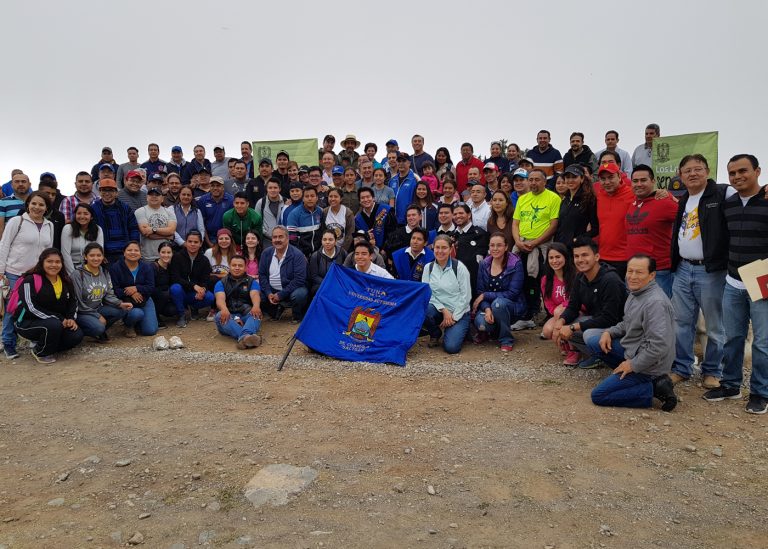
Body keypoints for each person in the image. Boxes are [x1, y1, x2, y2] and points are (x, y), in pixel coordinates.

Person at [704, 154, 768, 414]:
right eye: (732, 173)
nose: (738, 176)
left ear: (757, 171)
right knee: (733, 337)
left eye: (743, 171)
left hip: (761, 279)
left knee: (762, 343)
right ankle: (731, 385)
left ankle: (760, 392)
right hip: (733, 280)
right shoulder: (727, 204)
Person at [586, 255, 678, 411]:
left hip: (651, 365)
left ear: (652, 275)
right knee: (595, 342)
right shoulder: (636, 293)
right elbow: (627, 323)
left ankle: (654, 387)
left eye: (639, 272)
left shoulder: (655, 303)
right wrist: (609, 332)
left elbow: (659, 346)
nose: (633, 276)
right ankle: (629, 377)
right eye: (630, 271)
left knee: (599, 395)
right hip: (635, 349)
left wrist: (633, 365)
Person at [669, 154, 729, 388]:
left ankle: (713, 370)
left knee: (714, 325)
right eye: (687, 171)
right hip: (683, 269)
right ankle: (682, 367)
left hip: (711, 270)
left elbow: (748, 196)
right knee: (682, 323)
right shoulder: (684, 200)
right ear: (681, 175)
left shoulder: (722, 194)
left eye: (698, 169)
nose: (693, 174)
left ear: (708, 170)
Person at [553, 237, 628, 369]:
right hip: (599, 320)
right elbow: (573, 307)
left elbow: (609, 318)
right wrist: (560, 322)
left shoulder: (610, 280)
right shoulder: (580, 277)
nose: (580, 260)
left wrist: (572, 327)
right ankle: (597, 355)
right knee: (564, 323)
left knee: (586, 334)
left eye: (585, 255)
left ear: (597, 256)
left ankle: (614, 358)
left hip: (621, 328)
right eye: (576, 256)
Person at [0, 192, 55, 359]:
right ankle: (8, 342)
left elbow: (48, 251)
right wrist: (1, 271)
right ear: (28, 204)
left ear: (46, 208)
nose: (37, 207)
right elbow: (4, 244)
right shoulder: (17, 222)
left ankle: (33, 338)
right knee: (12, 309)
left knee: (36, 307)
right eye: (34, 203)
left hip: (37, 275)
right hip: (14, 272)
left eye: (41, 205)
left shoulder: (49, 225)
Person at [11, 248, 83, 363]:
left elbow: (73, 302)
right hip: (27, 322)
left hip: (56, 322)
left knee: (76, 335)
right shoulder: (30, 280)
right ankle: (40, 351)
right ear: (42, 262)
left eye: (57, 262)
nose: (54, 265)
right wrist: (59, 319)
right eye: (49, 261)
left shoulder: (65, 280)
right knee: (53, 325)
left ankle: (47, 344)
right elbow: (30, 307)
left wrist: (70, 319)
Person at [511, 168, 561, 329]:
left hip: (541, 246)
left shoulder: (553, 198)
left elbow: (554, 225)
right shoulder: (522, 199)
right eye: (531, 179)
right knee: (523, 279)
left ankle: (545, 312)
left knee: (539, 280)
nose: (533, 183)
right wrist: (518, 241)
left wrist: (536, 242)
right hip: (522, 244)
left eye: (537, 180)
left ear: (545, 181)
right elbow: (515, 223)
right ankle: (527, 314)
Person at [625, 165, 678, 297]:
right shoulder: (633, 203)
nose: (639, 184)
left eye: (643, 180)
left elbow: (688, 217)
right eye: (635, 181)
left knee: (660, 314)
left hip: (658, 272)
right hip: (634, 270)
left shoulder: (664, 202)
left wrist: (670, 196)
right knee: (637, 312)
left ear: (653, 181)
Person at [472, 233, 526, 351]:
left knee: (499, 304)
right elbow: (481, 291)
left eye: (499, 245)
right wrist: (487, 309)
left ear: (506, 247)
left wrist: (486, 295)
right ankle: (491, 332)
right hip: (489, 306)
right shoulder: (484, 264)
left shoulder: (515, 263)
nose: (495, 249)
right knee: (481, 324)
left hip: (512, 306)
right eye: (492, 245)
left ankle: (506, 339)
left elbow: (513, 293)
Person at [72, 243, 135, 340]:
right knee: (98, 327)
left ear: (102, 257)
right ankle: (82, 331)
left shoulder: (105, 272)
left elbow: (109, 294)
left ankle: (99, 330)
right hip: (82, 312)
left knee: (122, 310)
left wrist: (120, 303)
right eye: (92, 255)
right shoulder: (77, 274)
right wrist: (97, 316)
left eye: (99, 255)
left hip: (97, 308)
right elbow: (78, 303)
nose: (96, 258)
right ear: (85, 257)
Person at [421, 235, 472, 354]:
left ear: (450, 249)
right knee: (422, 308)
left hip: (459, 311)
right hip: (439, 310)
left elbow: (466, 296)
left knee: (451, 348)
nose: (440, 251)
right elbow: (427, 294)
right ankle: (435, 333)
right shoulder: (428, 268)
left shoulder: (459, 268)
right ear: (433, 248)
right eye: (437, 247)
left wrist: (453, 317)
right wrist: (444, 310)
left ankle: (462, 328)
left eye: (444, 248)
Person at [258, 226, 308, 323]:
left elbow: (299, 279)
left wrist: (281, 295)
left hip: (291, 289)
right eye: (275, 237)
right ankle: (275, 310)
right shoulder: (266, 253)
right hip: (272, 290)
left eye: (280, 237)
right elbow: (262, 275)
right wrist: (268, 293)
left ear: (287, 238)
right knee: (257, 293)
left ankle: (297, 315)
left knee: (299, 295)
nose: (277, 240)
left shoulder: (297, 255)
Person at [108, 241, 159, 336]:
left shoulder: (147, 267)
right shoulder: (115, 268)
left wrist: (136, 288)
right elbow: (114, 289)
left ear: (140, 253)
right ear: (124, 252)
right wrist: (130, 292)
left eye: (136, 250)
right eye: (129, 250)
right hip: (126, 301)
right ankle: (129, 325)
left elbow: (151, 287)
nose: (133, 252)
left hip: (145, 299)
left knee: (150, 331)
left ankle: (139, 323)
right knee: (137, 313)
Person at [594, 162, 634, 279]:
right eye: (603, 179)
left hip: (625, 258)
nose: (607, 182)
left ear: (619, 176)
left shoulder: (632, 194)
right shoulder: (599, 195)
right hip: (602, 257)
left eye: (611, 177)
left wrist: (663, 193)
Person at [540, 242, 579, 364]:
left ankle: (574, 350)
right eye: (551, 258)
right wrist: (557, 313)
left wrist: (563, 307)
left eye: (558, 257)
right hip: (558, 315)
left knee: (559, 311)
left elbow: (580, 300)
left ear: (566, 258)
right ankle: (564, 342)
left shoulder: (576, 276)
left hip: (577, 311)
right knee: (547, 331)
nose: (554, 261)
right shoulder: (546, 279)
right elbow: (548, 302)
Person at [214, 255, 263, 349]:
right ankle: (247, 336)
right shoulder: (221, 283)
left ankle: (243, 338)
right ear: (230, 267)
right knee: (220, 315)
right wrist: (224, 309)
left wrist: (256, 306)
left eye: (240, 266)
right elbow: (220, 298)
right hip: (229, 315)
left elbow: (255, 295)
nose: (237, 268)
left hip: (245, 313)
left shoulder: (252, 282)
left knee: (256, 314)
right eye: (234, 265)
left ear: (245, 268)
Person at [168, 231, 214, 327]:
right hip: (181, 292)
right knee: (175, 288)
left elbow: (206, 279)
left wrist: (203, 290)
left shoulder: (204, 260)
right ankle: (181, 315)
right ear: (186, 242)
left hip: (194, 294)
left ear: (201, 244)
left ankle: (194, 308)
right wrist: (194, 286)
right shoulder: (177, 256)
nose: (192, 244)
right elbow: (175, 278)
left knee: (210, 297)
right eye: (190, 241)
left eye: (196, 242)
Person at [91, 178, 140, 265]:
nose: (107, 193)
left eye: (110, 190)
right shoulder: (94, 209)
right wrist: (98, 254)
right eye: (104, 190)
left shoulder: (125, 208)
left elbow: (134, 229)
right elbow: (91, 233)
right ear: (99, 192)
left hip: (125, 253)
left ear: (116, 193)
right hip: (104, 255)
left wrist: (132, 250)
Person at [555, 164, 598, 245]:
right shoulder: (565, 200)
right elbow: (560, 226)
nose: (570, 180)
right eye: (567, 177)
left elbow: (595, 229)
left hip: (578, 250)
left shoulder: (589, 199)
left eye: (574, 177)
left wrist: (577, 240)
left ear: (582, 179)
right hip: (562, 249)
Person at [452, 202, 489, 296]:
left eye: (461, 213)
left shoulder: (480, 234)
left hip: (473, 283)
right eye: (455, 214)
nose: (458, 216)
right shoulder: (451, 236)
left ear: (469, 215)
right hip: (454, 284)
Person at [134, 187, 176, 262]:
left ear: (162, 198)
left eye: (157, 195)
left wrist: (153, 229)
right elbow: (146, 233)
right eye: (151, 195)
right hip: (147, 257)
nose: (154, 196)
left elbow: (171, 231)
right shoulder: (140, 211)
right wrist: (167, 236)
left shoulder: (169, 212)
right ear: (147, 197)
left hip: (166, 256)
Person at [61, 203, 104, 274]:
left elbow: (99, 252)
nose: (82, 216)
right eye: (79, 213)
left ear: (91, 216)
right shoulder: (68, 228)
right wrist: (73, 274)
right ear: (75, 215)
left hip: (91, 268)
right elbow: (65, 254)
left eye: (86, 214)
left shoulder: (98, 229)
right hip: (72, 268)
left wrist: (92, 272)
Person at [355, 186, 397, 253]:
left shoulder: (386, 210)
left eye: (368, 197)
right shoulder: (358, 218)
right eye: (362, 198)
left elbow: (393, 233)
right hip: (366, 252)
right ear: (359, 201)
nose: (366, 200)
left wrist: (385, 250)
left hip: (385, 251)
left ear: (373, 198)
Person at [308, 229, 348, 297]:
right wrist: (328, 283)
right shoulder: (315, 256)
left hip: (339, 284)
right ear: (321, 241)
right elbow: (314, 276)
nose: (327, 242)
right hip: (322, 284)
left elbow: (346, 272)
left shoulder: (343, 253)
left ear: (335, 241)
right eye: (324, 239)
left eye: (330, 240)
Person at [286, 186, 323, 257]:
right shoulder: (294, 214)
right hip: (301, 254)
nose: (310, 199)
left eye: (312, 196)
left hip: (318, 254)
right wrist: (300, 255)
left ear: (317, 198)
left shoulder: (320, 211)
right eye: (307, 196)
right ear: (303, 198)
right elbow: (291, 238)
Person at [205, 229, 236, 312]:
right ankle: (213, 308)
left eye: (226, 238)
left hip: (228, 282)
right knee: (214, 280)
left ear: (231, 240)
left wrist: (218, 275)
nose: (224, 241)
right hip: (213, 282)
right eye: (221, 239)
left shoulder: (235, 254)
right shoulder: (209, 252)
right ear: (217, 240)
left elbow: (235, 274)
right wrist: (222, 275)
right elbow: (206, 273)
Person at [198, 176, 234, 247]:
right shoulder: (203, 200)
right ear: (209, 187)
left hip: (226, 238)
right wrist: (208, 242)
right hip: (209, 238)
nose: (215, 188)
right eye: (212, 186)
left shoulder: (231, 200)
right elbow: (202, 223)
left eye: (218, 186)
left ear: (223, 187)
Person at [253, 179, 285, 247]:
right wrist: (265, 232)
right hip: (266, 240)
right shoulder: (261, 203)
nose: (273, 190)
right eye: (270, 188)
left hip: (283, 239)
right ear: (266, 189)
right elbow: (256, 222)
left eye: (275, 188)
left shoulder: (286, 202)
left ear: (280, 189)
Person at [151, 241, 176, 328]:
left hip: (166, 298)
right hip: (154, 298)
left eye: (169, 252)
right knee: (164, 293)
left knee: (173, 310)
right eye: (163, 252)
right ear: (159, 253)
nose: (166, 255)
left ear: (172, 253)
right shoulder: (153, 267)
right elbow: (150, 287)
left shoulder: (171, 267)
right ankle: (155, 316)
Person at [0, 171, 32, 239]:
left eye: (23, 181)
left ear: (29, 184)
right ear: (11, 185)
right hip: (12, 246)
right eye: (17, 181)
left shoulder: (36, 202)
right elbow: (1, 228)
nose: (20, 184)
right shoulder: (2, 202)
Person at [390, 152, 419, 225]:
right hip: (393, 221)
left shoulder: (415, 179)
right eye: (399, 161)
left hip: (409, 221)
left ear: (409, 163)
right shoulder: (392, 180)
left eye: (404, 161)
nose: (401, 163)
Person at [486, 190, 515, 256]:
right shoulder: (490, 222)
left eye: (501, 200)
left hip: (514, 259)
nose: (497, 203)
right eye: (494, 200)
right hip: (497, 259)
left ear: (507, 203)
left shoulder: (515, 219)